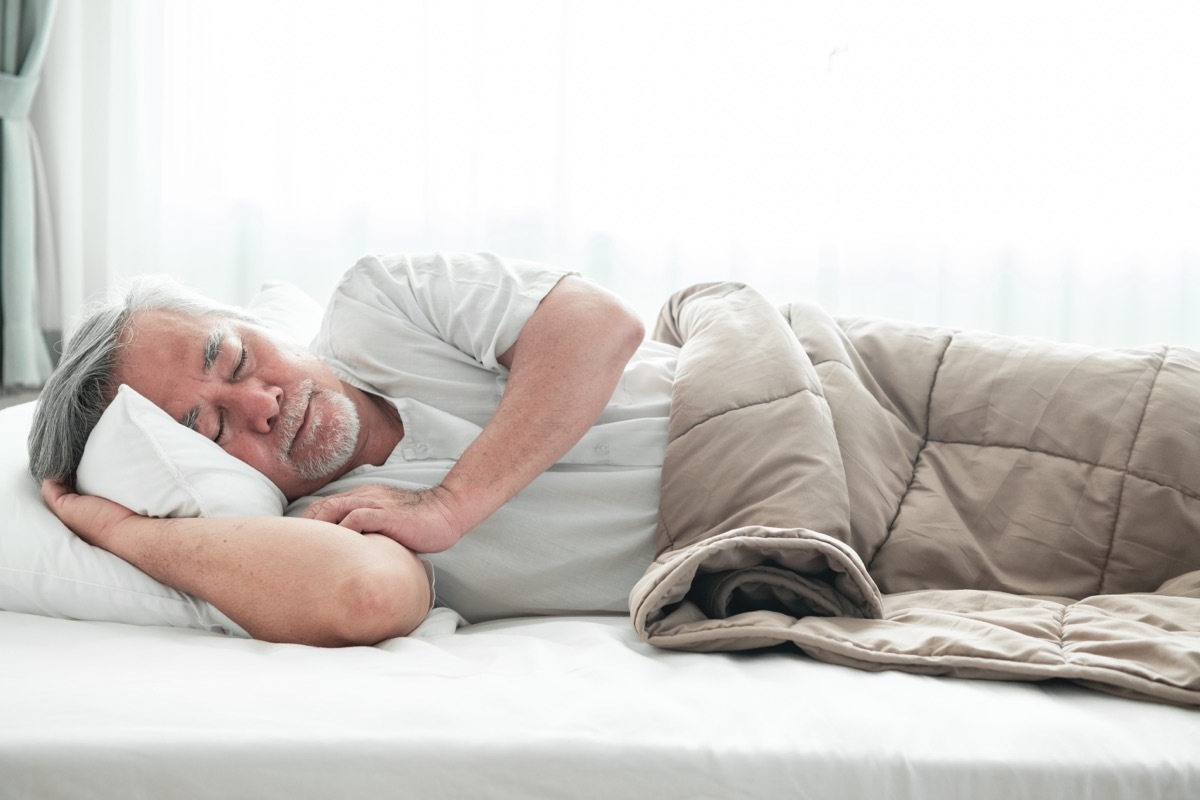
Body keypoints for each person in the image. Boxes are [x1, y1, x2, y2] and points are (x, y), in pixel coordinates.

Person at [29, 253, 674, 647]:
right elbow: (363, 594)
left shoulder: (379, 303)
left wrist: (449, 504)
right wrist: (124, 532)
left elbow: (600, 322)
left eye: (237, 358)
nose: (261, 403)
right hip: (722, 545)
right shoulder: (318, 529)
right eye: (215, 431)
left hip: (722, 403)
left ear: (250, 322)